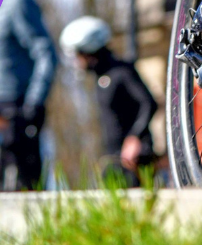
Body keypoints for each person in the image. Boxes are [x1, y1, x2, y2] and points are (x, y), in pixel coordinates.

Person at [58, 17, 158, 186]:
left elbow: (148, 103)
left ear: (89, 51)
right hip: (112, 158)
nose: (77, 62)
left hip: (133, 158)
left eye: (78, 55)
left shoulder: (122, 72)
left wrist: (135, 137)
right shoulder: (100, 78)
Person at [0, 0, 57, 190]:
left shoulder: (17, 2)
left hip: (14, 110)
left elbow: (45, 54)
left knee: (22, 187)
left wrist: (34, 101)